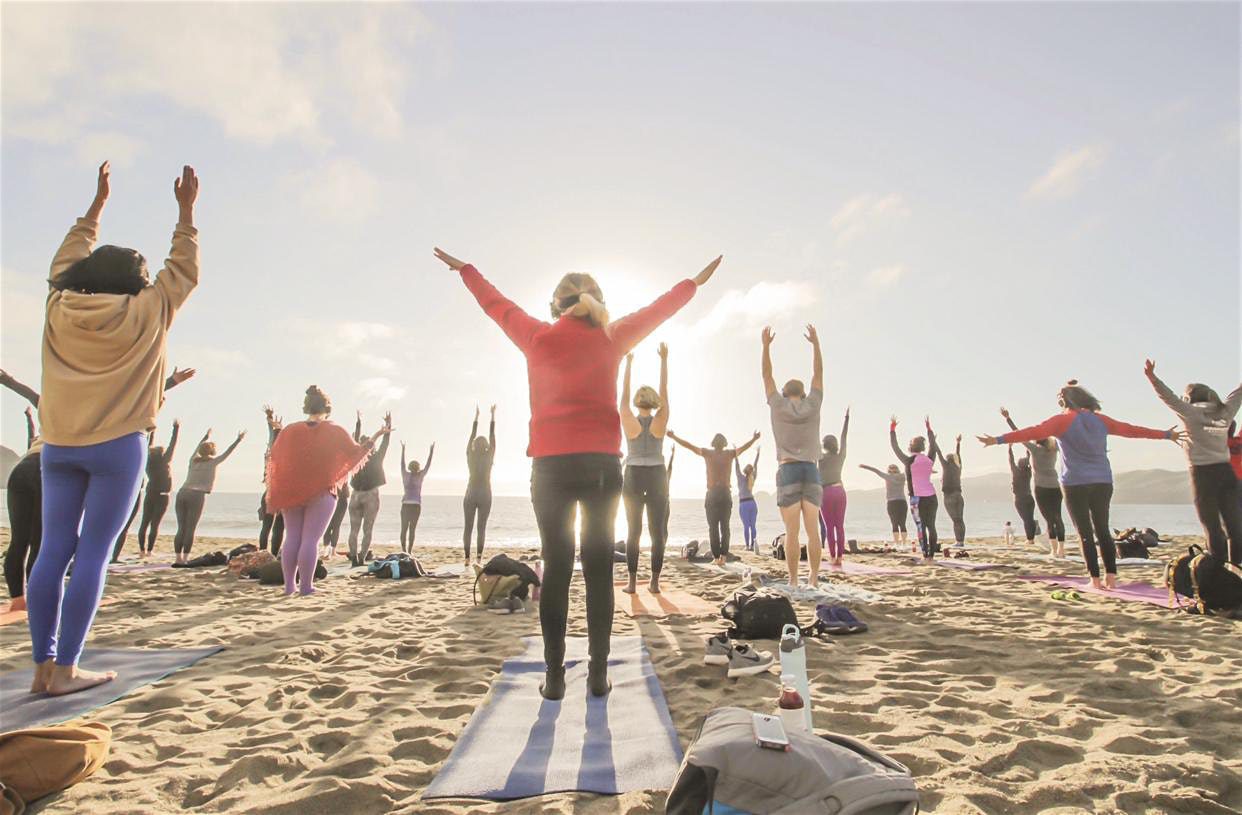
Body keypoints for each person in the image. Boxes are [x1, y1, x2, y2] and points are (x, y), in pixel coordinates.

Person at [434, 245, 716, 700]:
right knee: (601, 569)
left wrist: (465, 270)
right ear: (597, 302)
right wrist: (693, 284)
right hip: (601, 466)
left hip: (550, 468)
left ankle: (554, 677)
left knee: (559, 567)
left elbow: (495, 303)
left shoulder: (537, 336)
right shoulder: (612, 337)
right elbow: (659, 310)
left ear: (555, 306)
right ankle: (599, 674)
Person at [29, 161, 199, 696]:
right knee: (93, 555)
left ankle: (41, 669)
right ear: (136, 283)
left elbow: (67, 257)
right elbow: (184, 269)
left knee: (52, 550)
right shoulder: (148, 310)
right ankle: (67, 669)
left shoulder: (58, 305)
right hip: (118, 448)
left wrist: (97, 206)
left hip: (57, 446)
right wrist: (186, 211)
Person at [978, 379, 1183, 588]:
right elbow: (1132, 430)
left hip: (1075, 483)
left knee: (1085, 532)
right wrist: (1166, 435)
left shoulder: (1062, 421)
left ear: (1064, 401)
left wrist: (998, 439)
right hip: (1103, 481)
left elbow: (1032, 432)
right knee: (1102, 530)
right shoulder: (1100, 420)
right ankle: (1110, 578)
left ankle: (1095, 581)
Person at [266, 386, 383, 596]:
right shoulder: (335, 430)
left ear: (306, 407)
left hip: (291, 490)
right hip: (322, 492)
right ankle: (306, 587)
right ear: (327, 408)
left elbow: (275, 456)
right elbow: (356, 452)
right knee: (310, 540)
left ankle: (289, 587)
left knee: (291, 537)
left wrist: (277, 430)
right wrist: (376, 437)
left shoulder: (289, 431)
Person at [1145, 361, 1242, 565]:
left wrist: (1152, 378)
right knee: (1235, 527)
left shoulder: (1189, 412)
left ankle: (1218, 572)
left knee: (1212, 526)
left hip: (1203, 476)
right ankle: (1237, 571)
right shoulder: (1225, 411)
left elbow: (1168, 397)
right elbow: (1239, 392)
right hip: (1226, 474)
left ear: (1189, 398)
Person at [109, 366, 196, 561]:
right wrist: (175, 429)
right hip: (137, 489)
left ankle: (115, 556)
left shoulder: (147, 460)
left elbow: (147, 433)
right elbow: (150, 433)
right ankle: (117, 556)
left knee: (127, 524)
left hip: (139, 490)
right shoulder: (158, 460)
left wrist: (171, 383)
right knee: (137, 524)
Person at [762, 324, 825, 587]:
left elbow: (767, 376)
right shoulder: (813, 404)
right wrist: (816, 344)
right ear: (803, 392)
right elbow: (818, 373)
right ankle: (813, 578)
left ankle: (793, 579)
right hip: (811, 470)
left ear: (786, 393)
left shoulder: (778, 405)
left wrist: (765, 347)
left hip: (787, 470)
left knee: (792, 532)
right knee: (813, 531)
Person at [668, 429, 760, 567]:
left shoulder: (708, 453)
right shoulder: (729, 454)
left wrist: (674, 436)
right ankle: (722, 556)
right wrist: (754, 439)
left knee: (713, 527)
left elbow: (689, 446)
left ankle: (716, 557)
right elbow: (744, 448)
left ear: (713, 443)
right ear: (724, 444)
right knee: (725, 527)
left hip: (712, 494)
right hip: (725, 493)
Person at [620, 345, 670, 594]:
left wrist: (628, 364)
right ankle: (654, 582)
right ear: (654, 402)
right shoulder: (661, 418)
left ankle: (631, 583)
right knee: (657, 531)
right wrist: (664, 361)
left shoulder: (627, 418)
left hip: (634, 476)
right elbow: (665, 392)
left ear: (637, 402)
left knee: (634, 531)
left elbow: (623, 395)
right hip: (657, 474)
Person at [1001, 407, 1066, 557]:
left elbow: (1018, 435)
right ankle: (1061, 550)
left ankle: (1055, 551)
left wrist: (1008, 419)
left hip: (1041, 488)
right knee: (1058, 517)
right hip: (1056, 487)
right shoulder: (1054, 449)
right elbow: (1062, 434)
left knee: (1049, 520)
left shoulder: (1035, 450)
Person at [173, 428, 244, 564]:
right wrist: (238, 440)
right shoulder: (213, 462)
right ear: (211, 452)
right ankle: (185, 558)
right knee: (190, 528)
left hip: (182, 492)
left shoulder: (193, 461)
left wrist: (205, 437)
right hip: (197, 495)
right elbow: (228, 452)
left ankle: (178, 558)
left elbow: (195, 449)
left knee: (181, 527)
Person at [3, 401, 41, 612]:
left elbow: (31, 432)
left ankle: (17, 600)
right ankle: (34, 599)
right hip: (46, 470)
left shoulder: (40, 438)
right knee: (39, 541)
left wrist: (29, 417)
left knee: (19, 541)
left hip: (20, 471)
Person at [891, 417, 941, 562]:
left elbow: (895, 447)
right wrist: (929, 429)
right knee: (931, 526)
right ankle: (931, 556)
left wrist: (892, 429)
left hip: (916, 499)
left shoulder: (908, 460)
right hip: (932, 496)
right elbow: (933, 446)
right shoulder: (930, 459)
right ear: (922, 447)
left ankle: (926, 556)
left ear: (910, 448)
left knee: (921, 526)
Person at [348, 411, 393, 566]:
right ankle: (361, 557)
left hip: (355, 495)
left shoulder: (356, 458)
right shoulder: (376, 457)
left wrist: (358, 422)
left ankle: (354, 557)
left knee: (354, 529)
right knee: (367, 529)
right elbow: (385, 443)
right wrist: (388, 425)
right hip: (371, 495)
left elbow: (354, 441)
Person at [134, 421, 179, 559]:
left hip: (150, 494)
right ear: (162, 454)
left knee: (145, 522)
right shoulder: (165, 461)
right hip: (162, 495)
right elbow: (173, 446)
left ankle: (142, 550)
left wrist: (152, 433)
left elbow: (148, 447)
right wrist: (176, 429)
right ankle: (148, 551)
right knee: (155, 524)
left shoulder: (148, 462)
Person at [462, 405, 496, 565]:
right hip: (485, 493)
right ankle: (478, 558)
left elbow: (471, 437)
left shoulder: (470, 454)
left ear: (475, 445)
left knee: (468, 527)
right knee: (481, 528)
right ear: (487, 446)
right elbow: (493, 436)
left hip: (471, 493)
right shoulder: (490, 455)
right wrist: (492, 416)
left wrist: (476, 418)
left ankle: (467, 559)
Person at [817, 409, 850, 567]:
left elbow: (812, 439)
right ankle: (840, 557)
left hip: (825, 493)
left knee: (829, 526)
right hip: (839, 491)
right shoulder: (840, 456)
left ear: (823, 445)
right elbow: (844, 437)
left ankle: (832, 557)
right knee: (839, 526)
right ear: (835, 445)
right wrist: (846, 418)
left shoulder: (820, 458)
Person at [258, 406, 285, 555]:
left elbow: (271, 439)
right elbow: (274, 438)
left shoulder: (269, 455)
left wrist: (270, 420)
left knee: (266, 527)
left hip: (268, 494)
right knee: (278, 527)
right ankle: (273, 556)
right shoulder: (285, 456)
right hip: (281, 495)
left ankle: (262, 553)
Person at [859, 464, 908, 548]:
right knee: (902, 523)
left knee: (894, 523)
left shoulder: (887, 476)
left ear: (889, 470)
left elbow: (875, 470)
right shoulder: (903, 476)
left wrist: (865, 466)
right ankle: (904, 544)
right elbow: (914, 472)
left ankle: (897, 544)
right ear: (897, 469)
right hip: (902, 502)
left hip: (892, 503)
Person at [400, 440, 435, 553]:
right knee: (412, 529)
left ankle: (404, 550)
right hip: (416, 506)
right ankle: (409, 551)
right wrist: (431, 451)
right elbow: (428, 464)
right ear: (418, 467)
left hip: (405, 505)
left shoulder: (405, 474)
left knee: (404, 529)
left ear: (410, 467)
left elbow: (402, 464)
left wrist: (403, 449)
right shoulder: (420, 475)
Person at [934, 435, 966, 548]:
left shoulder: (946, 466)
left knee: (955, 520)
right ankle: (961, 541)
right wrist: (958, 443)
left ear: (947, 460)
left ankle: (959, 541)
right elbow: (958, 455)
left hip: (949, 496)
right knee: (960, 519)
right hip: (959, 495)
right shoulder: (958, 467)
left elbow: (938, 453)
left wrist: (933, 441)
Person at [1008, 446, 1039, 545]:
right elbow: (1029, 459)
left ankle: (1030, 539)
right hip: (1029, 498)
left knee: (1026, 519)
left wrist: (1009, 448)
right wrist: (1028, 449)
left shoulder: (1016, 472)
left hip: (1020, 499)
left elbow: (1010, 460)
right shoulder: (1029, 472)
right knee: (1029, 518)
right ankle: (1032, 536)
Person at [736, 447, 761, 552]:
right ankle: (753, 545)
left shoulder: (740, 477)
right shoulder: (752, 478)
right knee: (753, 526)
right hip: (752, 503)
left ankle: (747, 546)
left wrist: (736, 456)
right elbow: (755, 466)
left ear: (745, 470)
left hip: (744, 504)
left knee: (746, 526)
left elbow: (736, 467)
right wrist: (757, 454)